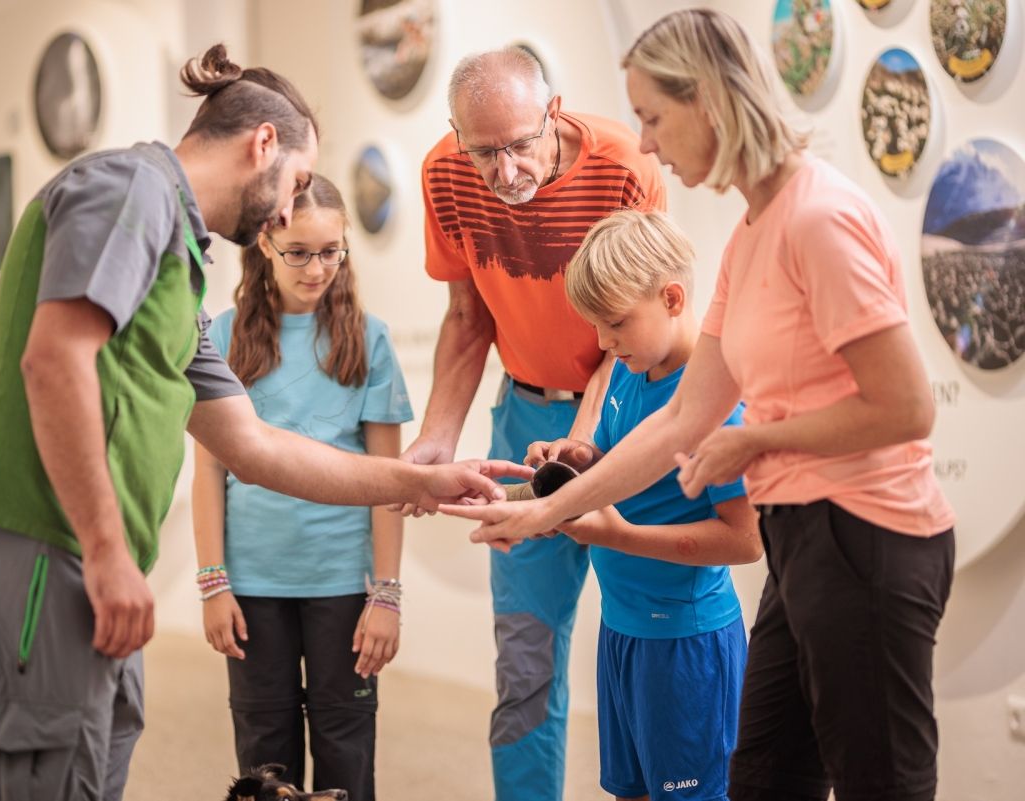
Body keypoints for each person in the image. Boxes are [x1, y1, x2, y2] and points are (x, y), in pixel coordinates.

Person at [0, 46, 526, 801]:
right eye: (298, 183)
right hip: (46, 551)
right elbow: (55, 361)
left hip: (84, 558)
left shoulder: (177, 267)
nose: (289, 210)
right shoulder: (132, 189)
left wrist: (420, 477)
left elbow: (255, 447)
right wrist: (109, 551)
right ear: (263, 145)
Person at [442, 10, 957, 801]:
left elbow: (907, 406)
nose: (643, 143)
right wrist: (543, 514)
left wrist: (752, 444)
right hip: (802, 537)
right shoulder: (753, 231)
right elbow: (682, 420)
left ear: (710, 102)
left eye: (653, 117)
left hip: (871, 533)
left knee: (876, 779)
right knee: (763, 778)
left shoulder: (818, 217)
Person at [399, 46, 665, 801]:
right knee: (526, 657)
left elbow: (636, 325)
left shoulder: (623, 168)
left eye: (520, 144)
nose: (505, 169)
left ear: (554, 114)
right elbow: (466, 314)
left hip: (624, 407)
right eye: (483, 151)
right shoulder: (444, 176)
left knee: (645, 638)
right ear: (455, 136)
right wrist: (437, 436)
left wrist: (586, 439)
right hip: (521, 417)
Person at [523, 209, 760, 801]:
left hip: (687, 645)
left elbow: (746, 541)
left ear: (673, 297)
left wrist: (617, 534)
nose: (603, 343)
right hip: (623, 627)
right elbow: (618, 462)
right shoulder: (633, 369)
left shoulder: (717, 404)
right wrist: (576, 457)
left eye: (616, 324)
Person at [192, 174, 410, 801]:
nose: (318, 269)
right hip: (253, 587)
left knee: (347, 753)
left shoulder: (369, 340)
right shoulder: (222, 336)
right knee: (264, 765)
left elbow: (387, 482)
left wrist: (387, 596)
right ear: (265, 243)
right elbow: (209, 468)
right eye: (300, 253)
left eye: (332, 252)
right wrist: (213, 581)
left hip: (344, 586)